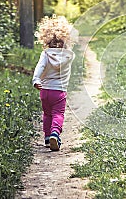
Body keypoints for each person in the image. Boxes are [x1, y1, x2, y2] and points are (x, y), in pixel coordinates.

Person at [32, 15, 78, 151]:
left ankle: (47, 138)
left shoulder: (45, 54)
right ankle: (55, 133)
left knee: (47, 114)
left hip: (44, 90)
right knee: (58, 114)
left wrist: (36, 79)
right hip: (59, 91)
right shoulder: (69, 55)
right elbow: (67, 48)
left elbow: (40, 67)